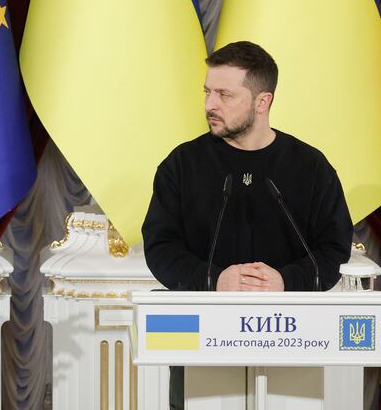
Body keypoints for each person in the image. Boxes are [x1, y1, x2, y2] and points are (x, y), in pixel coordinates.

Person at [142, 41, 352, 408]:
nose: (210, 105)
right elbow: (160, 248)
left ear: (262, 102)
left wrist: (287, 281)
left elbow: (334, 249)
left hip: (292, 342)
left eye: (225, 94)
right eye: (207, 92)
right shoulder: (181, 165)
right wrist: (214, 279)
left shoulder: (311, 167)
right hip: (201, 343)